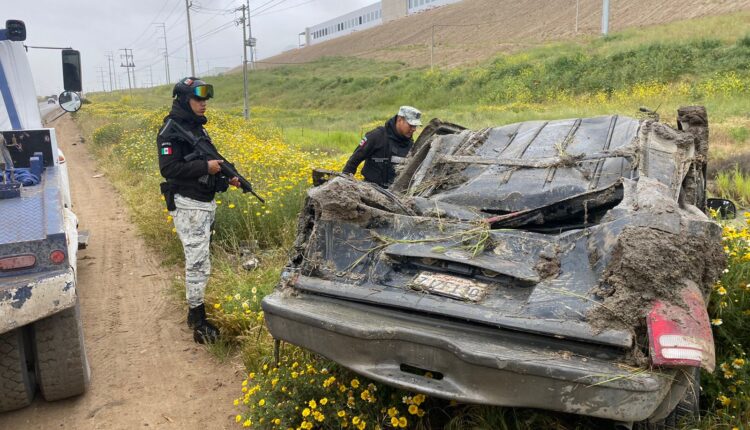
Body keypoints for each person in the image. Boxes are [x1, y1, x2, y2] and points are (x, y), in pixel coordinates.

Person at [156, 77, 239, 344]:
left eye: (204, 100)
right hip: (189, 204)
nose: (203, 105)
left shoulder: (195, 129)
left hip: (203, 202)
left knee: (200, 259)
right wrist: (206, 168)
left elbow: (214, 158)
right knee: (197, 263)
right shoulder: (170, 131)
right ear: (183, 100)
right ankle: (199, 321)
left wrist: (232, 176)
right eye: (197, 100)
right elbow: (169, 169)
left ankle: (195, 312)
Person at [342, 106, 422, 188]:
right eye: (411, 125)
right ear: (399, 120)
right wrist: (344, 184)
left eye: (415, 126)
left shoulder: (411, 145)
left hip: (395, 193)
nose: (414, 129)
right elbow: (354, 161)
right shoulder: (376, 136)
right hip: (370, 189)